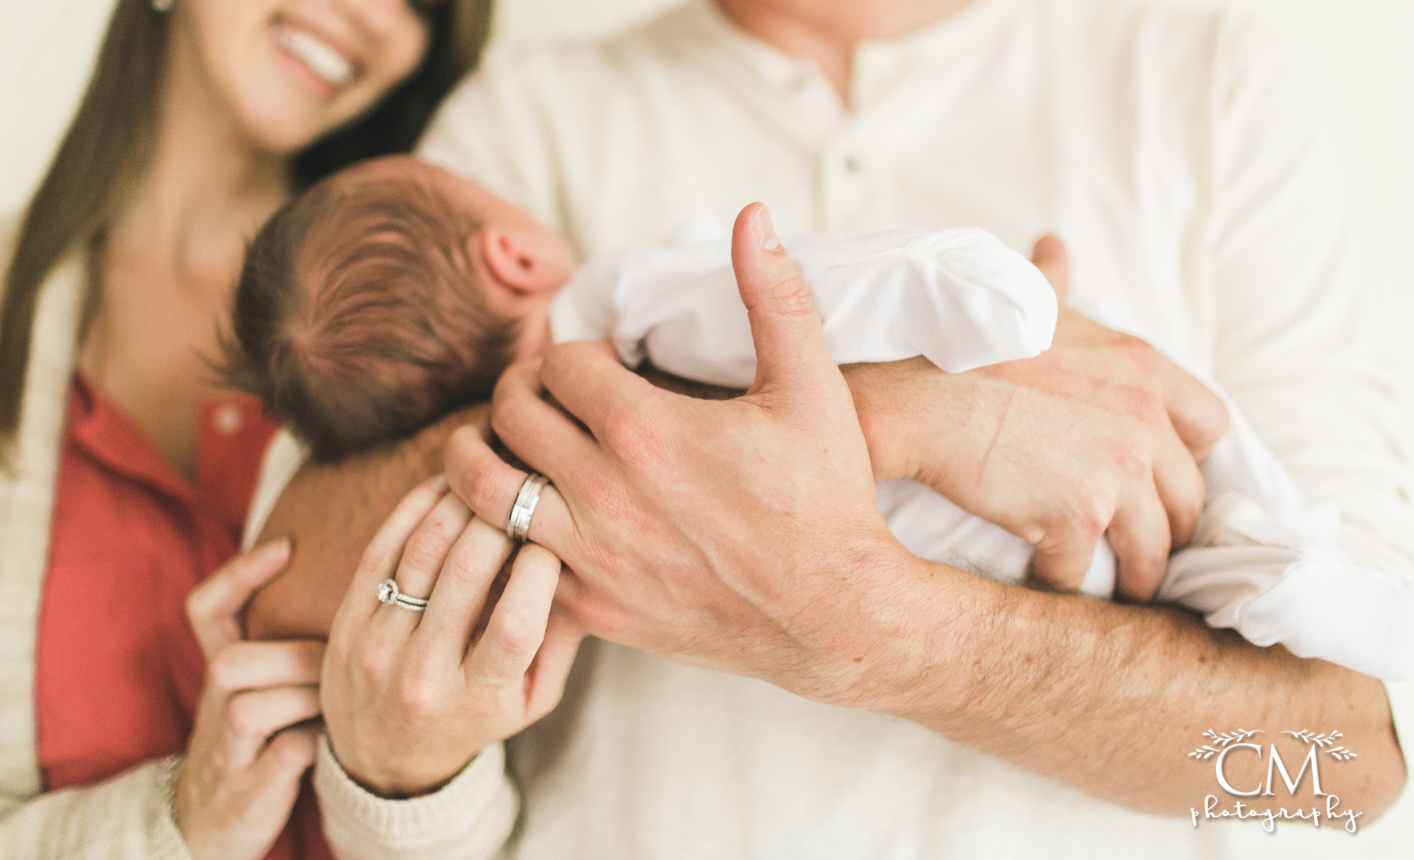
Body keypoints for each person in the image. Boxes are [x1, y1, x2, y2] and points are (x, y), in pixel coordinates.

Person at [250, 0, 1414, 855]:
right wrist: (912, 417)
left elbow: (1349, 766)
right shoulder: (523, 121)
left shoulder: (1203, 87)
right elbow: (287, 577)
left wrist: (895, 633)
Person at [0, 0, 542, 858]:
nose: (381, 13)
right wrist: (174, 822)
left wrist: (410, 778)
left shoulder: (445, 322)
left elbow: (522, 809)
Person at [235, 154, 1414, 680]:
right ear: (511, 249)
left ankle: (1291, 594)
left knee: (1198, 550)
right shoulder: (629, 301)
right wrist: (968, 300)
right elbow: (809, 285)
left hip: (993, 554)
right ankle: (1304, 583)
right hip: (972, 509)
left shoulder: (547, 503)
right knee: (1213, 469)